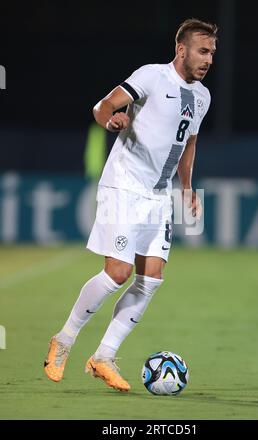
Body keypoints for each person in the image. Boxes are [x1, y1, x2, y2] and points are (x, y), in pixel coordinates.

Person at [44, 18, 217, 392]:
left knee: (152, 278)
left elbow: (189, 142)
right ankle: (65, 340)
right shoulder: (152, 77)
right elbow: (102, 106)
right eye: (203, 51)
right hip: (125, 184)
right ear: (181, 49)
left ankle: (103, 356)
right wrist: (111, 120)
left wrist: (186, 186)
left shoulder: (202, 97)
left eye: (213, 53)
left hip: (158, 194)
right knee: (118, 273)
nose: (208, 60)